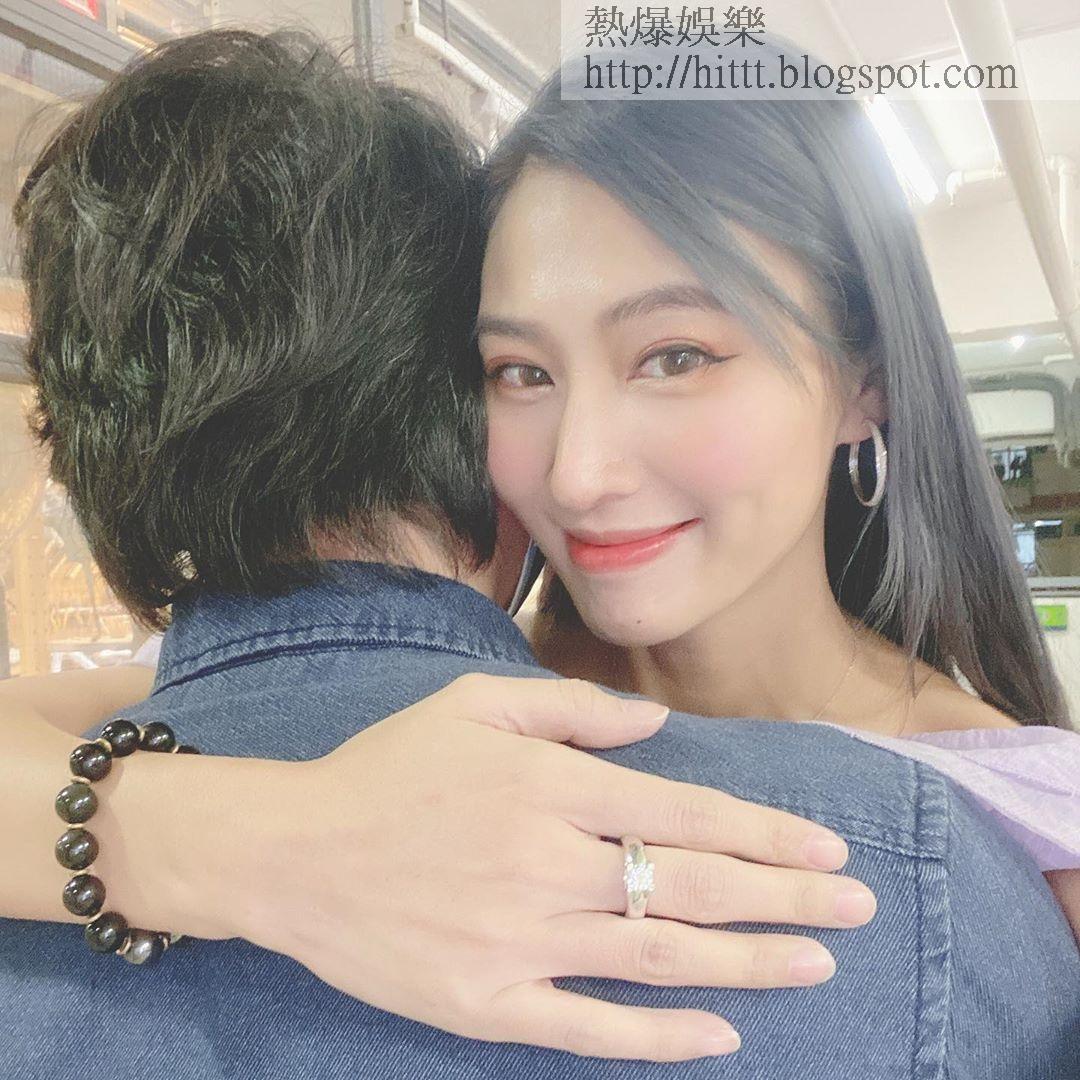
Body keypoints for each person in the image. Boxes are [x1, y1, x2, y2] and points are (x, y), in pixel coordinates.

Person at [3, 27, 1078, 1078]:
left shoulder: (1023, 819)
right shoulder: (417, 697)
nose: (578, 473)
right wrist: (277, 843)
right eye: (519, 372)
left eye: (675, 356)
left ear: (865, 381)